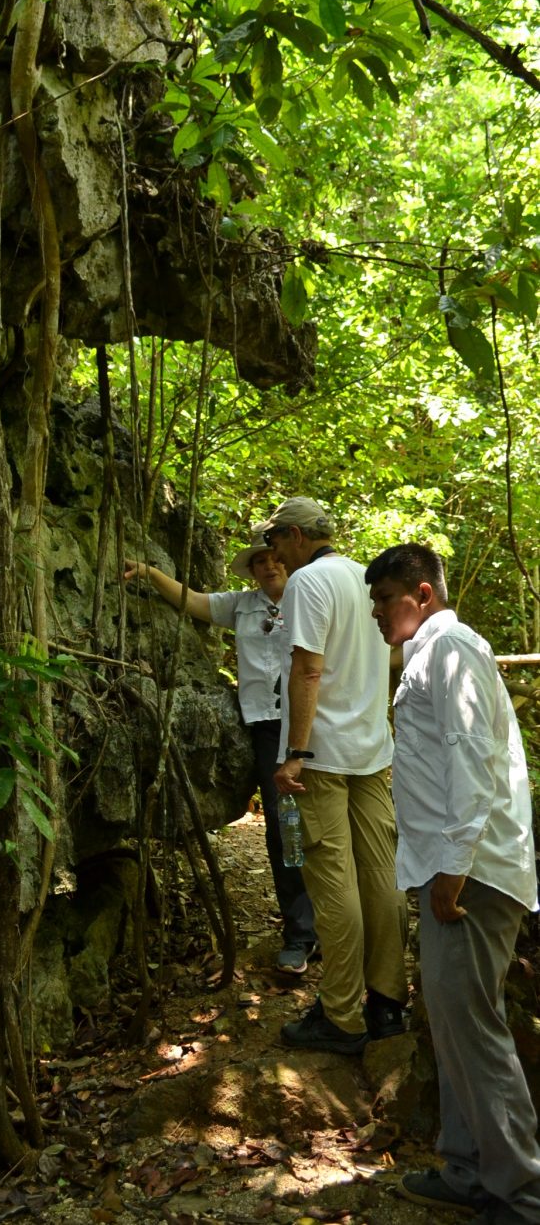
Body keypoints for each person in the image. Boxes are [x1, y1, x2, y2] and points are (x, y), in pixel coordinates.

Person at [366, 543, 540, 1225]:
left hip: (471, 875)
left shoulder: (452, 650)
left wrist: (455, 865)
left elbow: (474, 755)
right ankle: (470, 1169)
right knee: (454, 1027)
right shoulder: (427, 655)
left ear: (423, 595)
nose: (378, 612)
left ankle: (520, 1194)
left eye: (386, 599)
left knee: (475, 1030)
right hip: (452, 868)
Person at [124, 525, 317, 973]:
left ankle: (333, 924)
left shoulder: (311, 599)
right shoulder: (242, 605)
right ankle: (301, 932)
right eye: (259, 561)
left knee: (322, 827)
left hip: (311, 724)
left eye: (274, 557)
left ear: (290, 557)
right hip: (268, 730)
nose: (268, 565)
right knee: (284, 829)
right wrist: (151, 572)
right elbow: (193, 600)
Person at [263, 496, 408, 1054]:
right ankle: (388, 1003)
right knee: (381, 874)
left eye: (276, 539)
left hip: (321, 759)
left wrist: (296, 750)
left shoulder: (308, 584)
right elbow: (384, 659)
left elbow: (308, 667)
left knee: (333, 883)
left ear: (298, 536)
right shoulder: (363, 579)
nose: (272, 551)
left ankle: (343, 1015)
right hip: (372, 752)